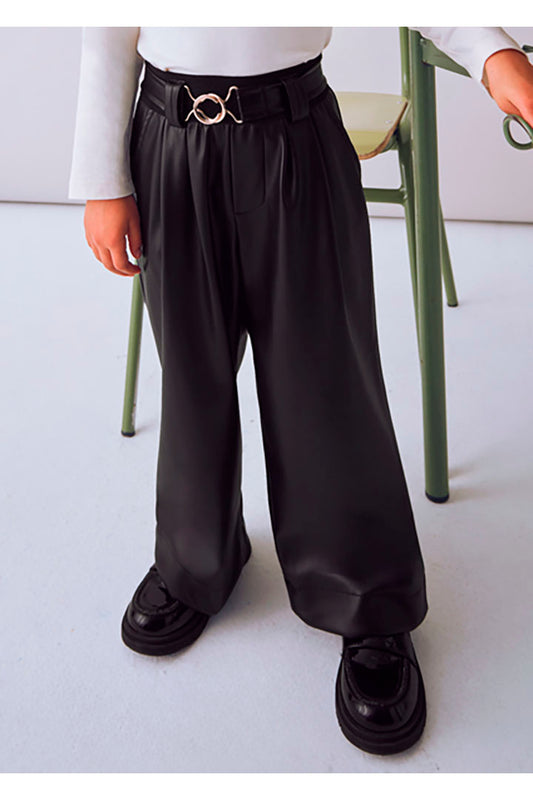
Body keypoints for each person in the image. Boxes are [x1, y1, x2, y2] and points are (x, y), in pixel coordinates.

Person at [68, 27, 533, 756]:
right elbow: (105, 28)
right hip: (168, 135)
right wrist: (102, 178)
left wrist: (488, 51)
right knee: (190, 372)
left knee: (326, 378)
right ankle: (195, 555)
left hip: (294, 134)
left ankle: (364, 591)